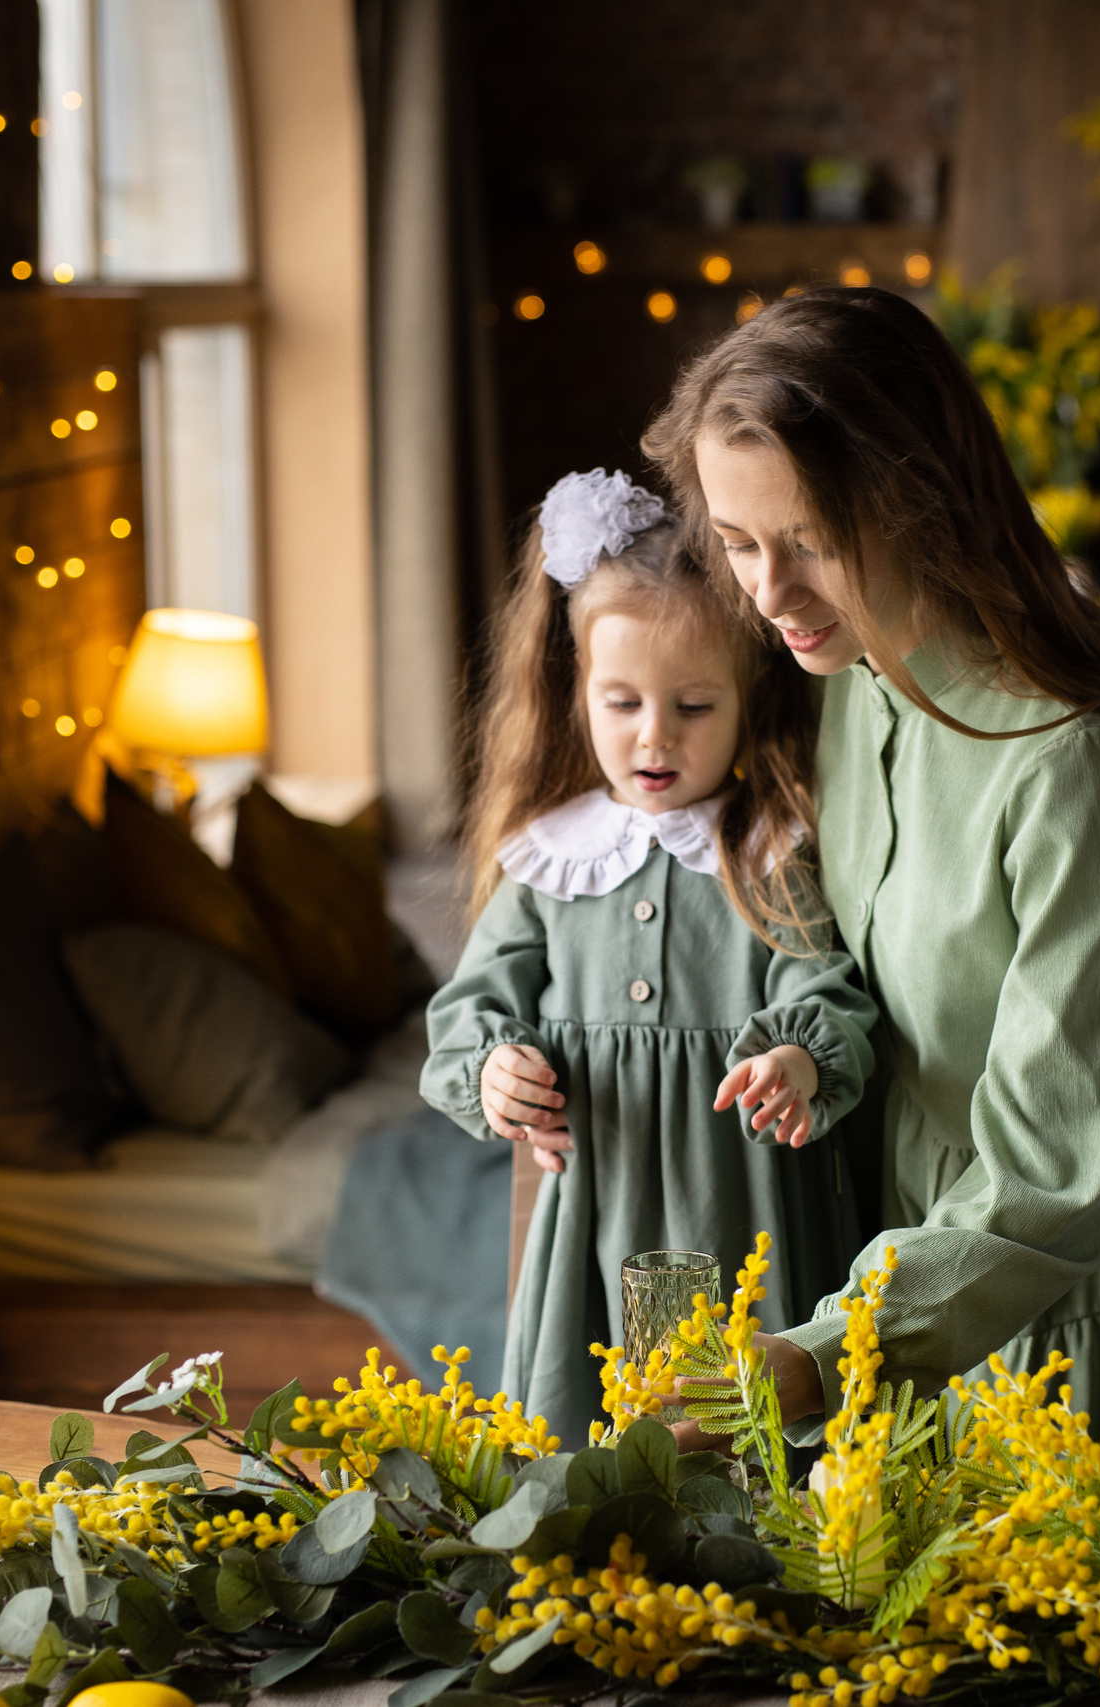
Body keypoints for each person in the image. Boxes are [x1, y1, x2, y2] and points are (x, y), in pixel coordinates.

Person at [642, 288, 1100, 1464]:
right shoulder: (846, 674)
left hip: (1099, 1248)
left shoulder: (1073, 759)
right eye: (740, 543)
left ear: (923, 501)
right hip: (927, 1246)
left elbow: (1054, 1162)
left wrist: (821, 1351)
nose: (766, 592)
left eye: (809, 542)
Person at [421, 468, 879, 1446]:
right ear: (577, 691)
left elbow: (825, 987)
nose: (654, 736)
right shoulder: (550, 860)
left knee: (733, 1426)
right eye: (621, 701)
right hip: (601, 1203)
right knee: (603, 1425)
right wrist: (496, 1067)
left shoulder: (766, 850)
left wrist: (798, 1060)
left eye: (695, 707)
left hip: (740, 1196)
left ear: (748, 699)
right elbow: (469, 1010)